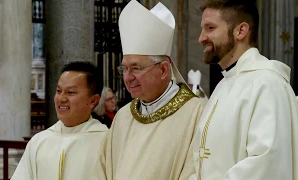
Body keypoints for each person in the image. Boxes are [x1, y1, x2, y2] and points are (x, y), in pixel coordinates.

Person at [92, 1, 204, 179]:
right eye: (125, 69)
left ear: (163, 70)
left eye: (136, 68)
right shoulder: (123, 117)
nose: (128, 77)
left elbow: (196, 171)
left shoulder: (196, 113)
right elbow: (102, 171)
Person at [189, 0, 298, 179]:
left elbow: (265, 165)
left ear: (240, 31)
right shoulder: (226, 83)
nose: (201, 38)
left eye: (210, 28)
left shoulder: (267, 83)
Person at [11, 61, 108, 180]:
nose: (61, 98)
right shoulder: (39, 141)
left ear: (93, 100)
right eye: (58, 91)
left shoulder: (106, 142)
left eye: (70, 92)